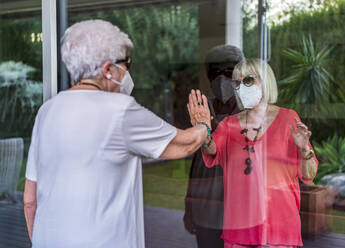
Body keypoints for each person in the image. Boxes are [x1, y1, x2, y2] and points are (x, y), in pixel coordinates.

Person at [23, 19, 211, 248]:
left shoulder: (47, 111)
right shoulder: (120, 111)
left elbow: (29, 201)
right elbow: (186, 144)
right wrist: (204, 124)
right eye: (125, 63)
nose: (127, 71)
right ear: (107, 69)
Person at [189, 58, 318, 248]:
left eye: (248, 80)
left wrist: (304, 148)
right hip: (241, 227)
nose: (242, 87)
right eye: (237, 83)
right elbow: (211, 149)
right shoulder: (229, 124)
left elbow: (309, 174)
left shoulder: (289, 119)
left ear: (265, 82)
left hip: (280, 227)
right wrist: (204, 130)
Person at [183, 44, 244, 248]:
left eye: (228, 70)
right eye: (215, 72)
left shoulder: (249, 110)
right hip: (205, 211)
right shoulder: (202, 107)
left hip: (239, 212)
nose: (221, 78)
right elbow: (197, 164)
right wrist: (189, 206)